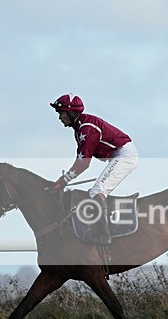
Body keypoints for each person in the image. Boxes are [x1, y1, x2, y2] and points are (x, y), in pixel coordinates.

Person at [49, 93, 138, 244]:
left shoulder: (86, 128)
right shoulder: (80, 127)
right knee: (96, 191)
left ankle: (104, 236)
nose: (59, 117)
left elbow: (83, 163)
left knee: (97, 191)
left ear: (71, 112)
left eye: (61, 113)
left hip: (124, 155)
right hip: (117, 154)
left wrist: (64, 180)